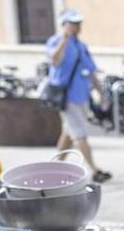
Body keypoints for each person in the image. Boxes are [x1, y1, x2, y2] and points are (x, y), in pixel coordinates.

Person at [47, 9, 110, 182]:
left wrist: (101, 94)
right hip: (67, 98)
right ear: (65, 24)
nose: (77, 26)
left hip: (81, 96)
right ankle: (94, 169)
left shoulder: (81, 46)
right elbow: (54, 60)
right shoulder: (56, 42)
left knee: (68, 134)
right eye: (73, 23)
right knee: (80, 134)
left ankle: (55, 168)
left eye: (78, 23)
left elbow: (90, 71)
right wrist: (64, 40)